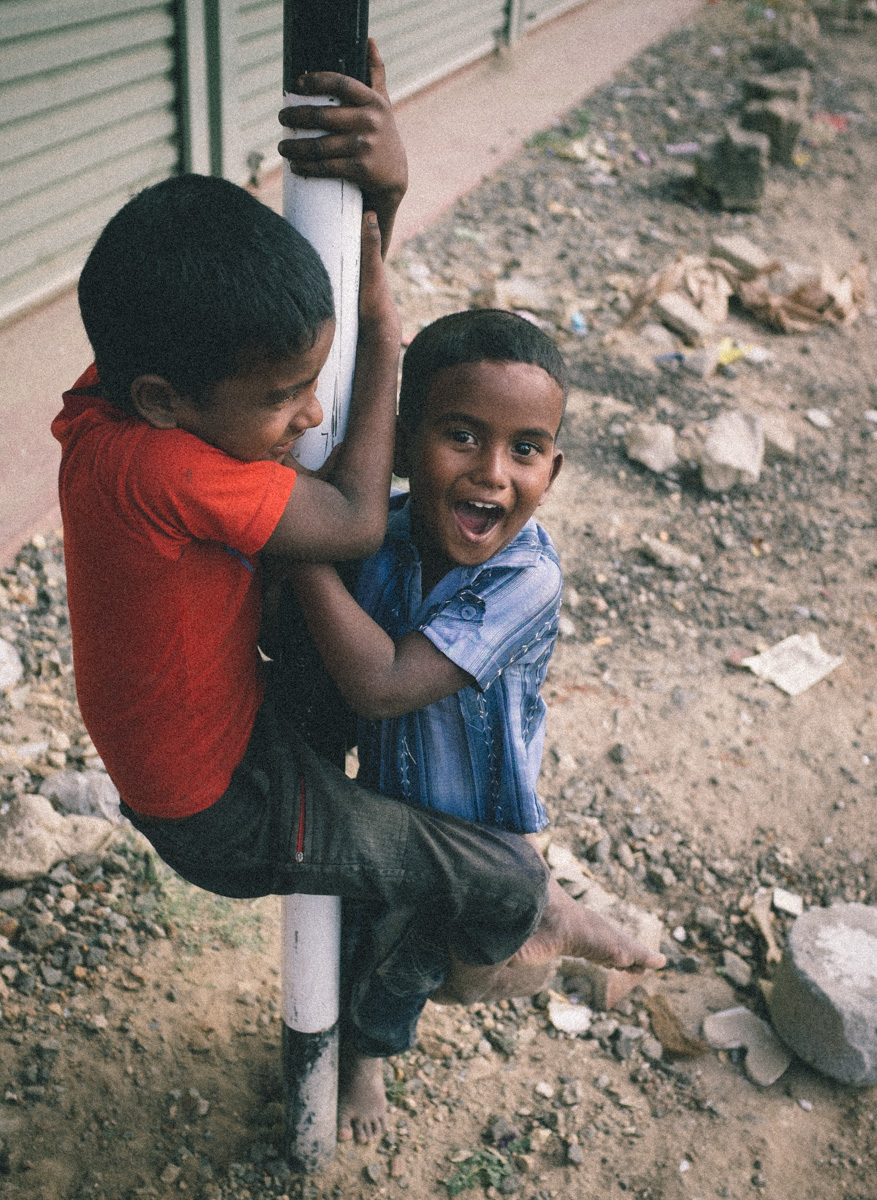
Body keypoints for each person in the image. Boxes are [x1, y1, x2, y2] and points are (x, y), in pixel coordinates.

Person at [281, 309, 666, 1143]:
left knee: (411, 966)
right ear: (402, 438)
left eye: (524, 449)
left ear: (552, 469)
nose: (492, 473)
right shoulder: (378, 535)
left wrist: (296, 544)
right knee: (358, 932)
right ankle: (549, 905)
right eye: (460, 435)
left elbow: (381, 684)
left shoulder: (525, 575)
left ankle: (368, 1055)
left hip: (478, 827)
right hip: (391, 808)